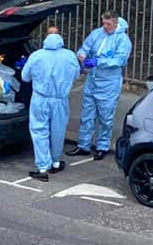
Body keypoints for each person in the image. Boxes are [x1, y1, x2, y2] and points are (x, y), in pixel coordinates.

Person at [66, 10, 132, 161]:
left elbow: (120, 60)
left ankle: (102, 146)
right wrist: (82, 55)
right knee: (87, 115)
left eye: (108, 24)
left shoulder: (122, 40)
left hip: (109, 84)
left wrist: (99, 62)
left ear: (115, 23)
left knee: (105, 118)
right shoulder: (97, 34)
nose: (105, 26)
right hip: (92, 80)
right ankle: (84, 145)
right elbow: (85, 46)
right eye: (103, 23)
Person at [22, 33, 81, 181]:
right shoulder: (69, 56)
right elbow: (76, 75)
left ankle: (42, 168)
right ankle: (55, 163)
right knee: (58, 131)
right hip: (60, 100)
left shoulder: (36, 56)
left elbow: (25, 77)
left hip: (40, 99)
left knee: (39, 131)